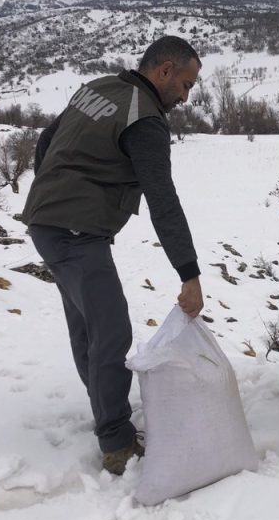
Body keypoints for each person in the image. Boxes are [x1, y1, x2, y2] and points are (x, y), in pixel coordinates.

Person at [22, 35, 204, 473]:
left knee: (88, 326)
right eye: (186, 83)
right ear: (163, 71)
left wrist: (53, 192)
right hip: (74, 232)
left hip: (47, 222)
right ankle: (117, 443)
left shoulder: (100, 87)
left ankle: (105, 412)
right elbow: (163, 200)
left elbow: (46, 142)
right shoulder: (145, 121)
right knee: (112, 333)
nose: (186, 95)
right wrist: (189, 273)